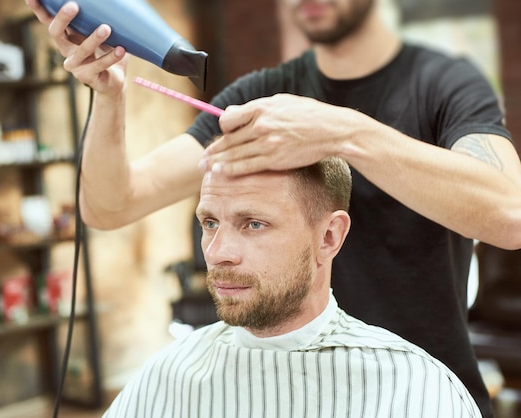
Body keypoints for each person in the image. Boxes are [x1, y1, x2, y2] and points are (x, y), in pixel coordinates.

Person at [26, 0, 521, 416]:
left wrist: (344, 133)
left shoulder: (443, 84)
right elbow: (112, 206)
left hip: (410, 393)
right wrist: (108, 97)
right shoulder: (260, 96)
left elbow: (510, 214)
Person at [102, 157, 481, 417]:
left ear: (329, 237)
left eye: (254, 224)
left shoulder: (412, 390)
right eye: (210, 223)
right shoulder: (169, 374)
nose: (217, 254)